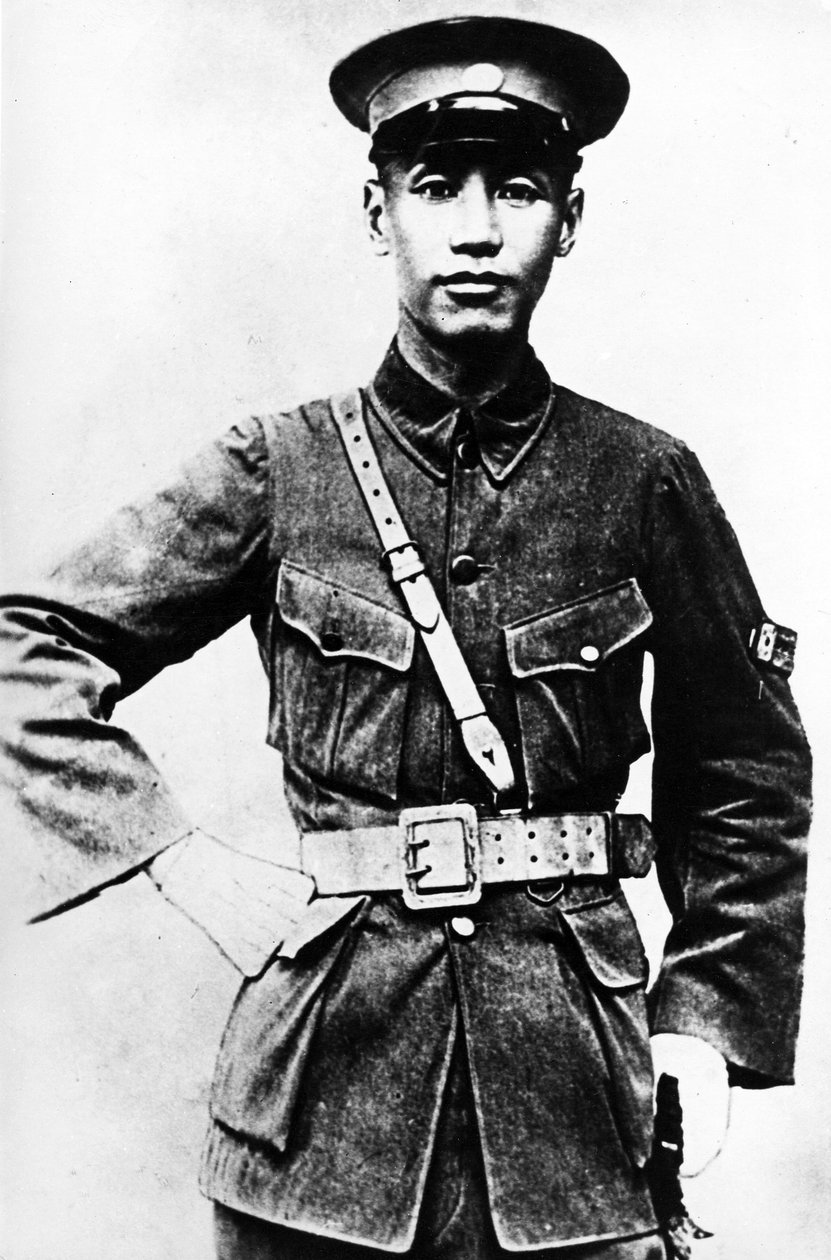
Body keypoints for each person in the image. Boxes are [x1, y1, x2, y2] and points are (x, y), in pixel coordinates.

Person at [0, 14, 811, 1260]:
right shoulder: (277, 469)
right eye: (436, 187)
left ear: (569, 220)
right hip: (317, 1127)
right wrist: (169, 853)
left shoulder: (644, 481)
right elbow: (26, 650)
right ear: (376, 215)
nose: (477, 229)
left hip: (579, 1122)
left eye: (518, 189)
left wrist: (703, 1021)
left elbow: (748, 769)